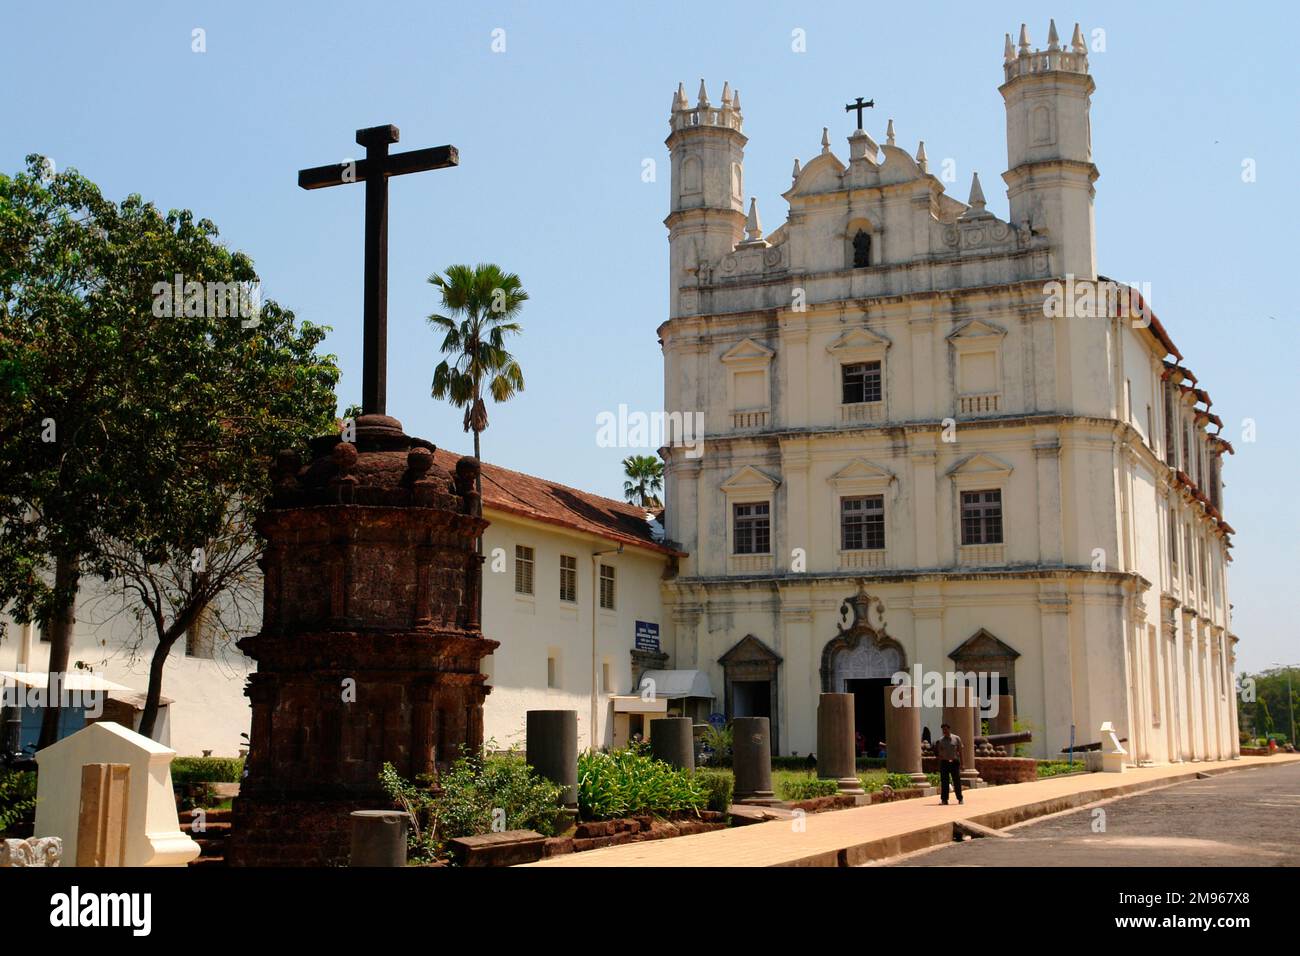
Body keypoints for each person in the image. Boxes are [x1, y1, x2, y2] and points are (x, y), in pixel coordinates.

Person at [934, 722, 963, 805]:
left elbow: (960, 751)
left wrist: (962, 763)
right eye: (943, 730)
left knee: (956, 781)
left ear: (949, 729)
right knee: (944, 782)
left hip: (954, 762)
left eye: (945, 729)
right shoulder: (940, 740)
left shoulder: (956, 738)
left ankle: (960, 798)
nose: (944, 731)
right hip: (944, 762)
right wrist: (939, 764)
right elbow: (939, 753)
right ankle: (944, 800)